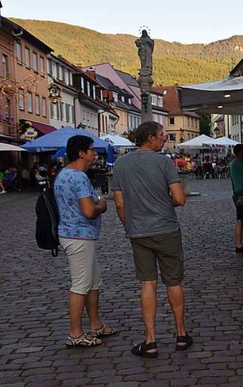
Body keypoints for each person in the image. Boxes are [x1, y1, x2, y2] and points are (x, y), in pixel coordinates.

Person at [111, 121, 191, 358]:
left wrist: (130, 225)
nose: (164, 138)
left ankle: (150, 341)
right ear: (150, 139)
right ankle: (181, 335)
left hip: (139, 232)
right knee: (173, 282)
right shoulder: (164, 162)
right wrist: (169, 202)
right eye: (162, 135)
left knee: (147, 284)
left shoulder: (121, 164)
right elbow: (180, 198)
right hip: (166, 229)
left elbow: (119, 202)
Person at [53, 135, 116, 348]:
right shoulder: (78, 177)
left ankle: (96, 325)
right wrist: (102, 206)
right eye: (91, 149)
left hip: (74, 234)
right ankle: (75, 333)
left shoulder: (64, 174)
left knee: (93, 281)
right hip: (78, 235)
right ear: (81, 153)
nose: (94, 153)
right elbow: (89, 211)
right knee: (80, 284)